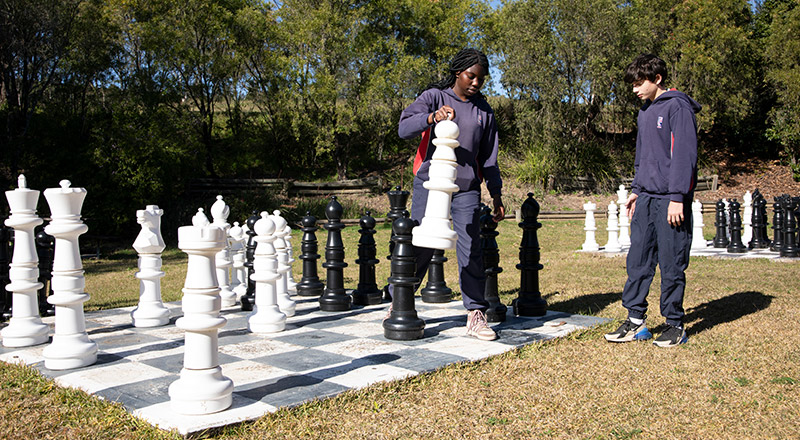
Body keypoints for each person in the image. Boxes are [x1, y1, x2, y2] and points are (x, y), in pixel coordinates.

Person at [394, 48, 505, 341]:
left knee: (471, 248)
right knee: (423, 244)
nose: (476, 83)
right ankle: (399, 298)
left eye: (482, 79)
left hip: (467, 188)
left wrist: (496, 194)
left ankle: (475, 314)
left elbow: (489, 159)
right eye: (471, 76)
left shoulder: (484, 111)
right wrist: (431, 118)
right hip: (430, 184)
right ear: (458, 72)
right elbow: (403, 128)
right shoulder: (434, 96)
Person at [604, 53, 701, 347]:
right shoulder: (644, 111)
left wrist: (677, 198)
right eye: (632, 84)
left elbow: (684, 156)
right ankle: (636, 322)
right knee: (638, 260)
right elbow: (643, 156)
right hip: (645, 197)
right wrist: (636, 189)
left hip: (671, 200)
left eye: (638, 83)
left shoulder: (678, 108)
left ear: (656, 79)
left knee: (672, 263)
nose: (634, 90)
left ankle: (674, 324)